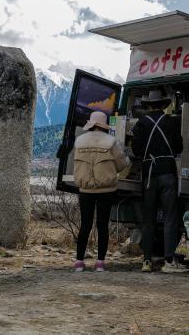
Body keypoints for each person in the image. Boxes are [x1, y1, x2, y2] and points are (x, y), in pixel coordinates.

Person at [131, 88, 187, 273]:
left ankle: (147, 261)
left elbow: (136, 150)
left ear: (149, 106)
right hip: (168, 173)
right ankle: (169, 261)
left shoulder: (141, 123)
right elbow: (179, 147)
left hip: (149, 174)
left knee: (148, 219)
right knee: (170, 217)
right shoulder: (171, 122)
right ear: (163, 105)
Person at [72, 110, 130, 272]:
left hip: (85, 189)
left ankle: (79, 262)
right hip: (106, 190)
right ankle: (100, 263)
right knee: (102, 225)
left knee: (85, 225)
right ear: (104, 126)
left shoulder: (79, 141)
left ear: (91, 124)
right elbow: (121, 164)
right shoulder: (111, 141)